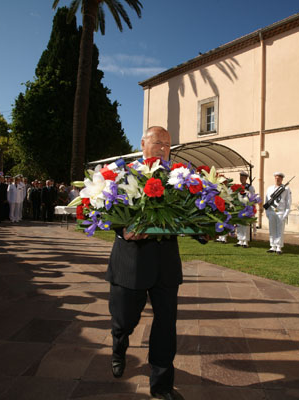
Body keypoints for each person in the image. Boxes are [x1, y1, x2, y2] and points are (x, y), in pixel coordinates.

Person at [107, 126, 196, 400]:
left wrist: (204, 231)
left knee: (166, 326)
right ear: (143, 143)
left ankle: (161, 385)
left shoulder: (178, 177)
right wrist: (123, 230)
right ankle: (119, 346)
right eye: (158, 143)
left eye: (167, 145)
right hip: (131, 264)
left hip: (166, 264)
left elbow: (194, 211)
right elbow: (105, 206)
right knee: (124, 320)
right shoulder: (123, 173)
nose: (163, 149)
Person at [265, 172, 291, 254]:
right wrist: (267, 212)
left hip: (280, 212)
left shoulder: (286, 189)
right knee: (272, 229)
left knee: (280, 230)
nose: (277, 179)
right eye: (276, 178)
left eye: (279, 178)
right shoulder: (270, 188)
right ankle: (272, 246)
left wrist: (286, 213)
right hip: (271, 211)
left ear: (282, 179)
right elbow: (267, 201)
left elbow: (288, 202)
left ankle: (279, 247)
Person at [235, 171, 256, 248]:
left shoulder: (250, 187)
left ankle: (245, 241)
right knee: (239, 225)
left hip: (247, 207)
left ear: (246, 178)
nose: (241, 179)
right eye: (240, 177)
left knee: (246, 225)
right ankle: (240, 240)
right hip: (240, 207)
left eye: (243, 177)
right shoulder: (239, 187)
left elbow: (252, 197)